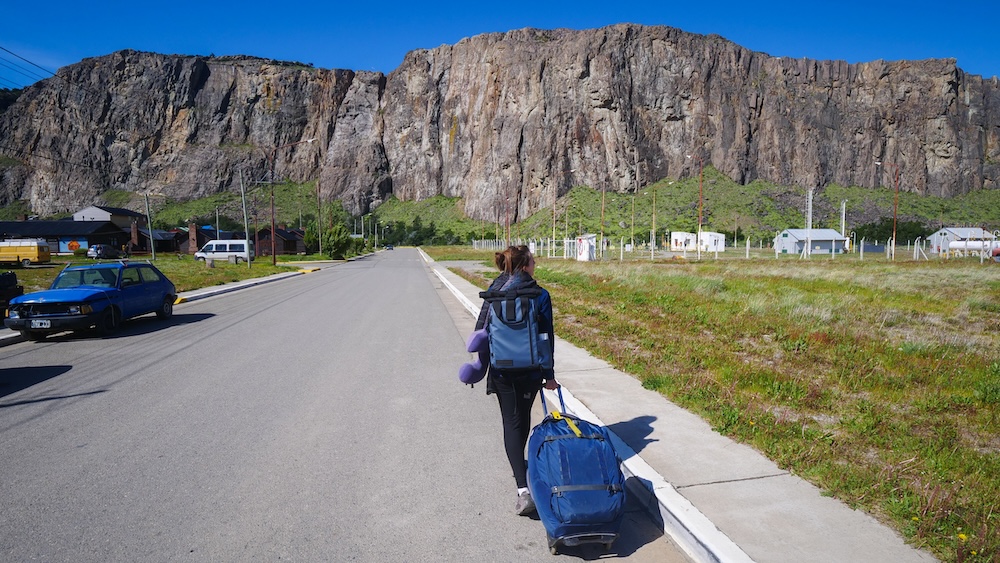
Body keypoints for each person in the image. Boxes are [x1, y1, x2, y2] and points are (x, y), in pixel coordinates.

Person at [485, 245, 559, 516]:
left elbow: (483, 331)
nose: (535, 262)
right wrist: (549, 376)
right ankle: (525, 477)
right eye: (532, 259)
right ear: (525, 265)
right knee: (522, 421)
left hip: (501, 370)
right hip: (529, 371)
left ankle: (522, 489)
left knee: (509, 422)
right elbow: (545, 339)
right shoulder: (540, 295)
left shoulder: (495, 291)